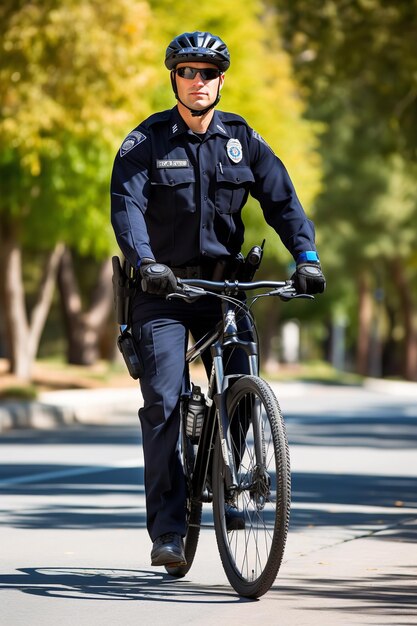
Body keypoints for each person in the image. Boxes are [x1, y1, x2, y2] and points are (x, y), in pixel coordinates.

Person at [110, 31, 326, 567]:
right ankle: (167, 531)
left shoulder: (243, 141)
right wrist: (145, 263)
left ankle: (228, 470)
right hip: (161, 291)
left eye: (208, 72)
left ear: (221, 80)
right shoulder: (147, 142)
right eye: (188, 71)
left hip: (224, 286)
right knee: (163, 403)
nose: (198, 81)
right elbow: (126, 208)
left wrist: (307, 259)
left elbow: (284, 202)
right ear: (174, 78)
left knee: (243, 376)